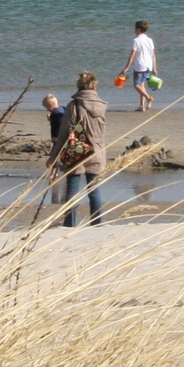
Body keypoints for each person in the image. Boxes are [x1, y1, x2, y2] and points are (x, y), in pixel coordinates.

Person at [51, 72, 108, 226]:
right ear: (94, 86)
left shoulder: (73, 105)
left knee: (72, 191)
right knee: (94, 191)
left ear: (79, 86)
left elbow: (63, 134)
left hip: (77, 151)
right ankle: (97, 224)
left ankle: (70, 224)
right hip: (97, 152)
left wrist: (53, 156)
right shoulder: (102, 105)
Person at [119, 21, 159, 112]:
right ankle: (142, 106)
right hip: (149, 65)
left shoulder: (136, 40)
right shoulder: (150, 40)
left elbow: (132, 54)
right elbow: (153, 54)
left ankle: (149, 98)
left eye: (135, 29)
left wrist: (127, 68)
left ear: (138, 29)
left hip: (140, 65)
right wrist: (154, 67)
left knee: (136, 85)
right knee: (142, 85)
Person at [42, 94, 68, 205]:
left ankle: (54, 172)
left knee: (54, 156)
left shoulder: (56, 115)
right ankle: (60, 171)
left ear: (51, 105)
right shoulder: (64, 110)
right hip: (67, 138)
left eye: (47, 108)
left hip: (58, 139)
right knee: (63, 156)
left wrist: (54, 138)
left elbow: (56, 127)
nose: (47, 110)